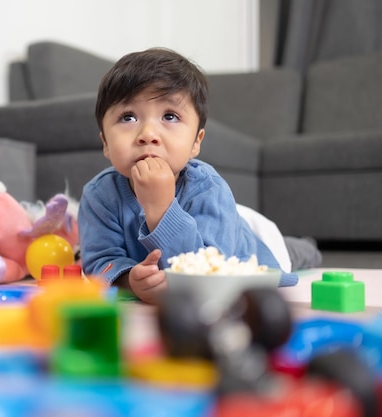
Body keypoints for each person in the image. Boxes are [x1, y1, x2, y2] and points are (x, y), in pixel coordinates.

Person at [78, 47, 320, 304]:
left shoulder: (208, 188)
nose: (148, 133)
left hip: (247, 246)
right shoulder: (98, 195)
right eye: (128, 117)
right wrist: (129, 280)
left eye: (169, 116)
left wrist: (161, 209)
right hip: (226, 222)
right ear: (105, 143)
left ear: (196, 142)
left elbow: (210, 269)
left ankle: (308, 246)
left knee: (293, 252)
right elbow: (99, 261)